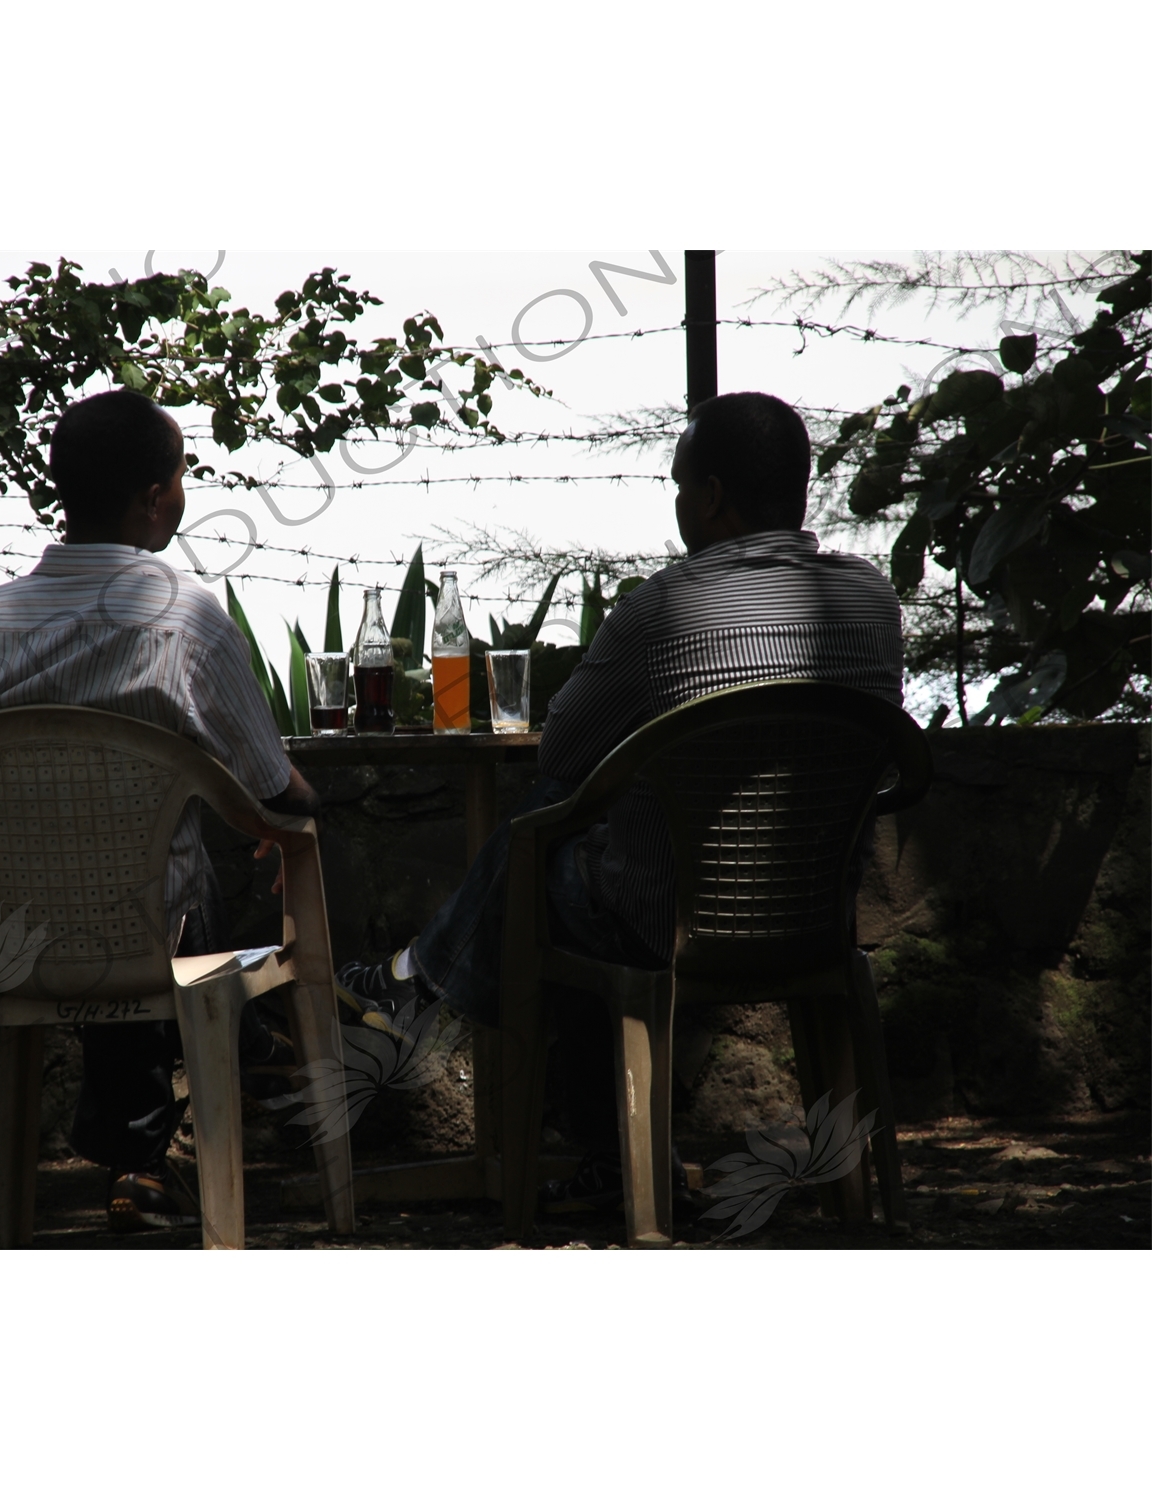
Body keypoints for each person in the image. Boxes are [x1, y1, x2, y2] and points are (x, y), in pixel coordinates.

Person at [335, 391, 905, 1215]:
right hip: (816, 911)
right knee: (564, 840)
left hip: (660, 919)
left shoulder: (659, 611)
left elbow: (565, 750)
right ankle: (591, 1141)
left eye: (679, 486)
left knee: (545, 843)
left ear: (709, 496)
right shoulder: (869, 600)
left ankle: (419, 987)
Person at [0, 388, 334, 1233]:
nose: (182, 492)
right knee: (174, 878)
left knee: (116, 877)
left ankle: (142, 1147)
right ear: (153, 498)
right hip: (138, 934)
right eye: (180, 477)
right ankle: (247, 1054)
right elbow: (272, 788)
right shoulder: (180, 619)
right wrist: (298, 816)